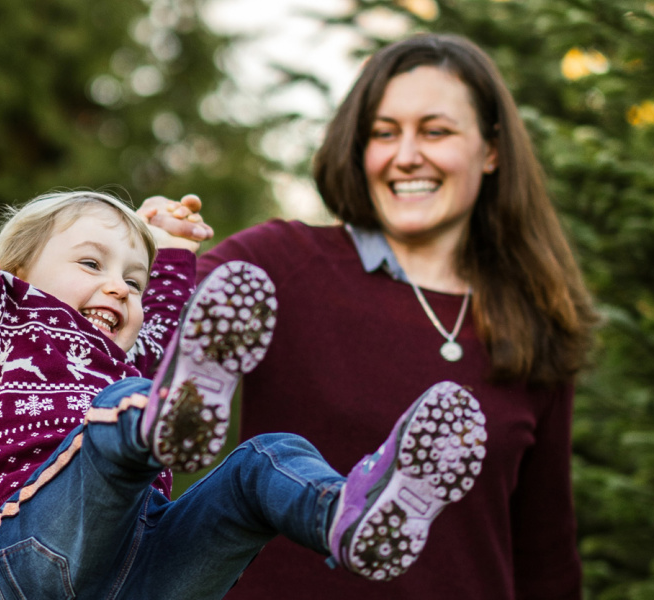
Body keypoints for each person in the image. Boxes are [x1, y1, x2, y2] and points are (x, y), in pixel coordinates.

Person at [0, 70, 488, 599]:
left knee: (267, 457)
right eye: (92, 265)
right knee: (125, 406)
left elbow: (167, 330)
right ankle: (158, 422)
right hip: (38, 549)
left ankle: (349, 516)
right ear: (13, 272)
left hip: (150, 569)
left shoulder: (129, 357)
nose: (120, 289)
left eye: (133, 281)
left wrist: (175, 250)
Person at [205, 34, 596, 600]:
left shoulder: (532, 321)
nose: (406, 154)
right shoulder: (279, 263)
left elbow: (545, 555)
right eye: (384, 133)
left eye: (435, 131)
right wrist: (144, 252)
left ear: (491, 151)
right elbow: (145, 319)